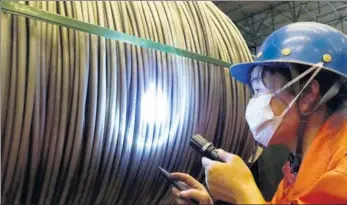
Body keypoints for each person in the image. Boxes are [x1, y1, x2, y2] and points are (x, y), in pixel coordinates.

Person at [171, 22, 347, 204]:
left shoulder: (342, 172)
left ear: (308, 92)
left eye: (262, 89)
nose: (255, 102)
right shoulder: (297, 171)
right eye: (254, 92)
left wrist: (243, 189)